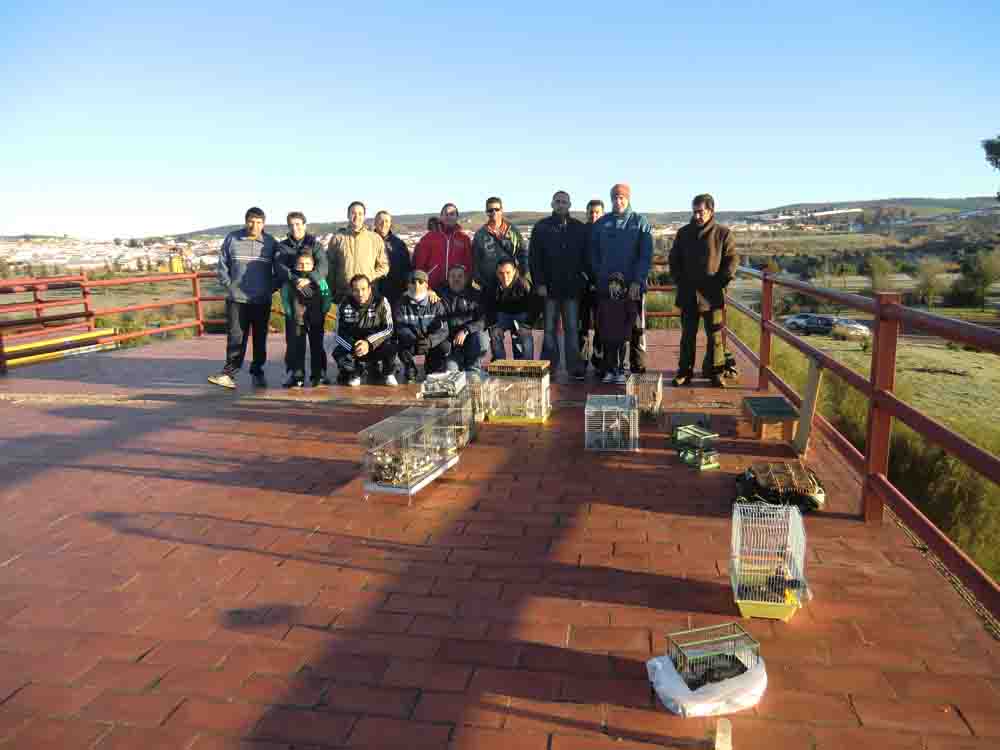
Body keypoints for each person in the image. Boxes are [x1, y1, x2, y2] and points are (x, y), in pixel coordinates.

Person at [669, 193, 738, 388]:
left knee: (714, 336)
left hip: (712, 294)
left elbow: (731, 260)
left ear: (711, 211)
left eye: (701, 212)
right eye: (694, 212)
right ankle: (684, 372)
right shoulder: (683, 233)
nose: (697, 216)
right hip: (688, 293)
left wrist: (719, 282)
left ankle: (715, 372)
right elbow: (674, 260)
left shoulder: (723, 234)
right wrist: (680, 281)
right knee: (687, 336)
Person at [208, 206, 278, 389]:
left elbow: (279, 271)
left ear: (264, 223)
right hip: (237, 300)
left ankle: (258, 372)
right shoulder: (232, 238)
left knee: (260, 339)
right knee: (236, 338)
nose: (255, 226)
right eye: (251, 221)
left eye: (259, 222)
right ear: (245, 221)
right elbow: (222, 264)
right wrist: (228, 285)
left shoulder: (271, 243)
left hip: (261, 300)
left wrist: (269, 289)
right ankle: (229, 374)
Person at [589, 183, 653, 373]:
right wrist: (602, 279)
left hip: (633, 286)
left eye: (622, 198)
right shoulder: (602, 224)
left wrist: (637, 281)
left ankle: (637, 363)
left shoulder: (640, 222)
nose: (618, 201)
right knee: (606, 327)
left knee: (635, 326)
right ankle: (607, 366)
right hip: (606, 287)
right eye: (615, 198)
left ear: (628, 198)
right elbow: (593, 254)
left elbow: (645, 255)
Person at [530, 190, 588, 380]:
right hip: (549, 288)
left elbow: (585, 258)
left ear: (569, 205)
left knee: (572, 328)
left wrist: (583, 279)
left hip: (572, 288)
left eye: (564, 202)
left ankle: (574, 367)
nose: (561, 204)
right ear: (552, 204)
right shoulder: (541, 228)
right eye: (558, 201)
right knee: (548, 329)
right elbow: (534, 259)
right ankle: (549, 366)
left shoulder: (579, 228)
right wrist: (539, 283)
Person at [275, 211, 331, 387]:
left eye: (298, 224)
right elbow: (280, 267)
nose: (295, 228)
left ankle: (318, 374)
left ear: (304, 225)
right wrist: (295, 279)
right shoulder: (282, 246)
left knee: (317, 343)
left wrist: (310, 278)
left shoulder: (315, 244)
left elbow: (323, 266)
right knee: (294, 344)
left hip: (314, 305)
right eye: (291, 225)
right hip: (294, 304)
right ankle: (295, 375)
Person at [331, 274, 398, 387]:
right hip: (355, 345)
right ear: (351, 291)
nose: (360, 294)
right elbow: (338, 334)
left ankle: (388, 373)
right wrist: (354, 347)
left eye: (363, 289)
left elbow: (389, 328)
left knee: (392, 345)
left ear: (369, 289)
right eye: (356, 290)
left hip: (375, 344)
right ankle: (354, 372)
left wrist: (369, 343)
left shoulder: (381, 301)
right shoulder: (343, 304)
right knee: (339, 353)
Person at [393, 270, 450, 382]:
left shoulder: (436, 303)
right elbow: (399, 327)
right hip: (412, 342)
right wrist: (414, 339)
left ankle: (432, 367)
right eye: (412, 282)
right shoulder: (400, 303)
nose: (416, 286)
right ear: (407, 285)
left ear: (427, 285)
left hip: (429, 343)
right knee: (398, 344)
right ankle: (410, 368)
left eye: (420, 282)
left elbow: (443, 330)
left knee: (444, 345)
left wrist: (430, 341)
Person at [327, 201, 389, 302]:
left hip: (368, 295)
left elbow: (384, 266)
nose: (357, 216)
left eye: (360, 214)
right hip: (343, 294)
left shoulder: (374, 238)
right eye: (353, 213)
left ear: (364, 216)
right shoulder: (338, 238)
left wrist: (370, 277)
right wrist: (329, 292)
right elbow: (330, 267)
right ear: (348, 215)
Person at [438, 264, 489, 377]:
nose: (456, 279)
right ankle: (456, 366)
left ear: (466, 279)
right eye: (453, 276)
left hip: (471, 340)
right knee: (451, 375)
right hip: (452, 345)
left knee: (482, 337)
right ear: (448, 279)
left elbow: (483, 320)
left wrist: (466, 330)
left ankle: (474, 368)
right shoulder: (439, 296)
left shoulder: (476, 295)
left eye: (460, 276)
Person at [483, 258, 536, 360]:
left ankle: (527, 366)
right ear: (496, 273)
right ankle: (500, 364)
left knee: (526, 338)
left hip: (522, 315)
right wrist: (494, 326)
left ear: (515, 271)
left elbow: (535, 306)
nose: (505, 277)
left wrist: (528, 325)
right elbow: (488, 308)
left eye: (508, 273)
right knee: (495, 336)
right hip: (502, 315)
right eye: (501, 273)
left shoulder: (524, 284)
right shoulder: (492, 286)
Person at [471, 197, 529, 290]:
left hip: (511, 282)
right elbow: (475, 259)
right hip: (489, 284)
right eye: (490, 210)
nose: (494, 212)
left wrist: (522, 274)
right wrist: (479, 280)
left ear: (502, 210)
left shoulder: (513, 231)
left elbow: (523, 253)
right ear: (486, 212)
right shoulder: (480, 234)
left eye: (497, 209)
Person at [413, 203, 474, 290]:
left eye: (452, 214)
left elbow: (469, 265)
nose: (448, 216)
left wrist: (467, 285)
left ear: (457, 217)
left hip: (457, 287)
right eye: (446, 214)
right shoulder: (428, 238)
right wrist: (426, 287)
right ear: (441, 217)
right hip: (433, 288)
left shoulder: (464, 239)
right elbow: (420, 265)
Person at [597, 272, 639, 384]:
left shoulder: (627, 301)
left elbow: (632, 316)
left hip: (622, 335)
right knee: (609, 355)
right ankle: (610, 372)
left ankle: (621, 372)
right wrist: (601, 331)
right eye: (611, 284)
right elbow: (599, 317)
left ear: (622, 286)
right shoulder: (604, 301)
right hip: (608, 334)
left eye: (616, 284)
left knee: (623, 355)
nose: (613, 286)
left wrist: (628, 330)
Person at [580, 199, 604, 370]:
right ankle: (582, 361)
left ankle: (598, 361)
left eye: (597, 212)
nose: (594, 215)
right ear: (586, 213)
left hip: (601, 285)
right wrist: (586, 279)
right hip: (582, 285)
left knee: (601, 326)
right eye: (591, 212)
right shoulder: (580, 231)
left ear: (602, 213)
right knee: (582, 326)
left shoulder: (607, 231)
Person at [373, 210, 411, 308]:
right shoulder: (368, 241)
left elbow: (407, 268)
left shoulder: (399, 244)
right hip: (373, 292)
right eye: (380, 220)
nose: (383, 224)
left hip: (396, 292)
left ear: (390, 224)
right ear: (375, 222)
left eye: (386, 221)